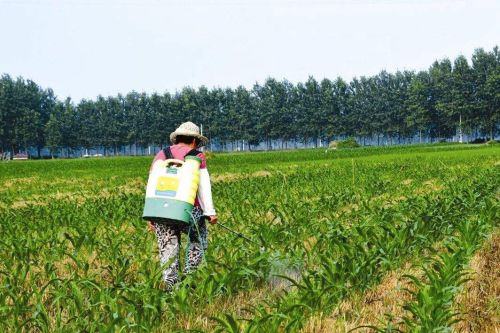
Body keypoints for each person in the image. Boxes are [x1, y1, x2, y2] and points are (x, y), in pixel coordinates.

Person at [148, 121, 217, 290]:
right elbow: (203, 185)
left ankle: (170, 286)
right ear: (194, 140)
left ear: (177, 138)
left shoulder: (161, 155)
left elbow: (152, 184)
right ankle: (188, 278)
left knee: (168, 248)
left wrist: (151, 215)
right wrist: (210, 212)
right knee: (198, 241)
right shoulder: (196, 156)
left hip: (161, 209)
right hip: (188, 210)